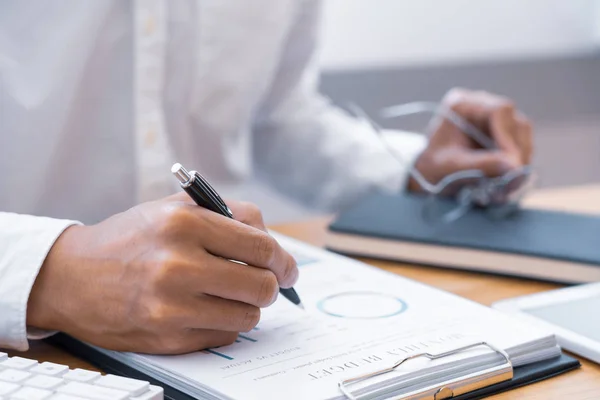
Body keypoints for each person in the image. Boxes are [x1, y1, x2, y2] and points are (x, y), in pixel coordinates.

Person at [0, 1, 532, 354]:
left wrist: (411, 174)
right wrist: (50, 273)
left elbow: (275, 115)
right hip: (32, 350)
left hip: (210, 341)